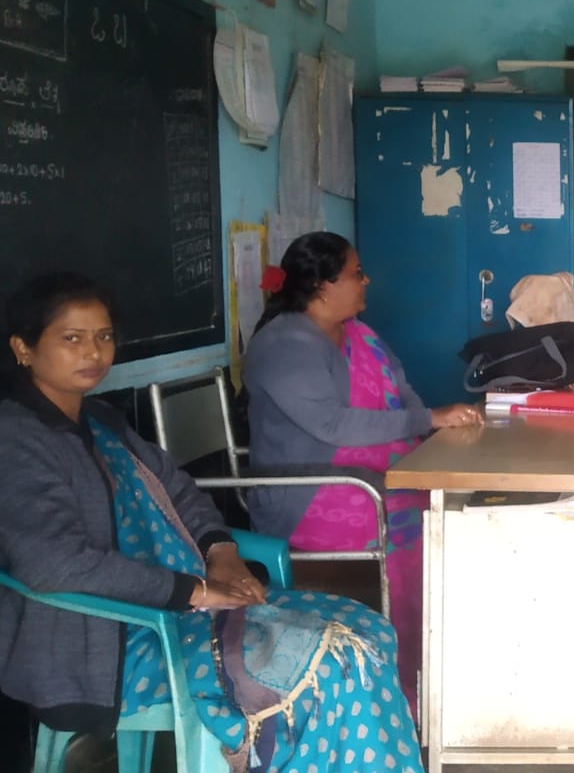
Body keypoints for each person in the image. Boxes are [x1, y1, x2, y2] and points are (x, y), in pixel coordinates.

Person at [0, 272, 425, 773]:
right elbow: (53, 564)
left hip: (173, 612)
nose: (93, 351)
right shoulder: (18, 439)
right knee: (325, 664)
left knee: (366, 631)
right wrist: (196, 592)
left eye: (103, 335)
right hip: (100, 646)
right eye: (72, 338)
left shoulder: (101, 423)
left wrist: (221, 553)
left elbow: (179, 490)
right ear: (23, 348)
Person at [243, 231, 481, 710]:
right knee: (416, 519)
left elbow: (404, 392)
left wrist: (431, 424)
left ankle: (427, 680)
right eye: (356, 273)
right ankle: (393, 691)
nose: (366, 280)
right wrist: (428, 420)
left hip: (371, 475)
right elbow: (332, 425)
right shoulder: (284, 345)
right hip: (311, 488)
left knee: (447, 512)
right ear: (323, 286)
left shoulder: (360, 334)